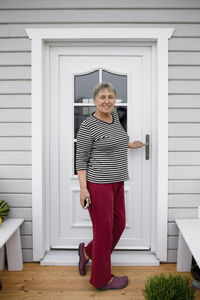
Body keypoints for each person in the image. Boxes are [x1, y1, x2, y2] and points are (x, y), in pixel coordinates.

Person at [76, 82, 146, 290]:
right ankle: (101, 279)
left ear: (114, 100)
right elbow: (81, 159)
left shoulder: (114, 118)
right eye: (102, 97)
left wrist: (130, 144)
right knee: (104, 232)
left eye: (110, 97)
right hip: (98, 185)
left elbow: (113, 139)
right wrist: (83, 189)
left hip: (117, 181)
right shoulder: (88, 125)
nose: (107, 101)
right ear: (95, 100)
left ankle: (88, 252)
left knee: (119, 224)